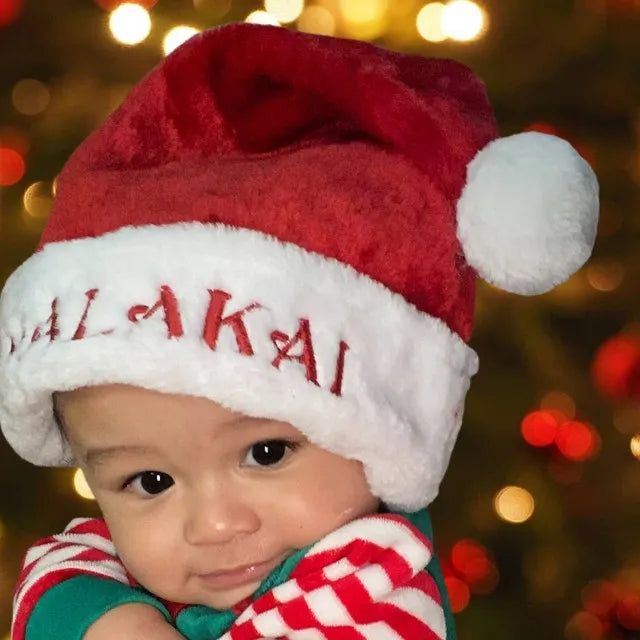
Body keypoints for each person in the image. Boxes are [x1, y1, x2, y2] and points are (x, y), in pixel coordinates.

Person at [0, 22, 598, 640]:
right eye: (150, 482)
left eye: (266, 453)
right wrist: (112, 621)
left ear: (377, 433)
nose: (216, 525)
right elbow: (57, 566)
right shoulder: (139, 568)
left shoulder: (375, 600)